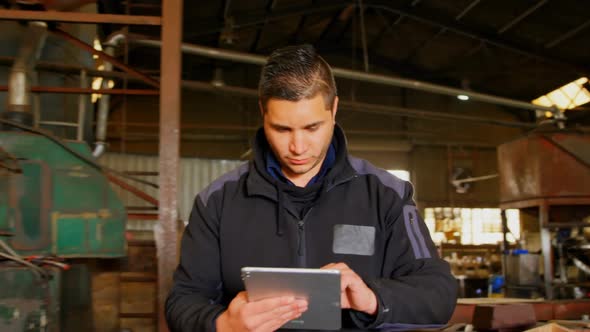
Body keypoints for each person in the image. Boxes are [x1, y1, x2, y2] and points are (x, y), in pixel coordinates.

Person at [165, 44, 457, 331]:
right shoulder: (218, 201)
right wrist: (223, 325)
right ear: (262, 113)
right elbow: (183, 300)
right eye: (282, 129)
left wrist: (372, 299)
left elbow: (438, 294)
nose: (298, 147)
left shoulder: (386, 195)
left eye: (312, 127)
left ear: (334, 109)